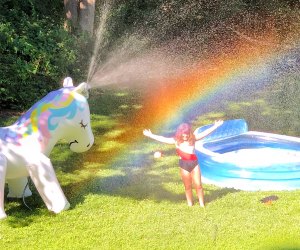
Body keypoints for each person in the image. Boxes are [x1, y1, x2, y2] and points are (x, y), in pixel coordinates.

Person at [143, 120, 223, 207]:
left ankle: (202, 204)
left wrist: (215, 126)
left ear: (189, 133)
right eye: (183, 134)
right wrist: (151, 135)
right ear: (180, 133)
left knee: (198, 185)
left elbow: (205, 133)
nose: (185, 136)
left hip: (194, 164)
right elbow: (163, 139)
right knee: (188, 186)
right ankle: (190, 204)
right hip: (184, 165)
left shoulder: (193, 139)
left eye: (187, 134)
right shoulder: (176, 141)